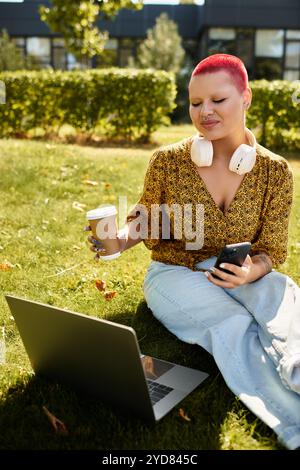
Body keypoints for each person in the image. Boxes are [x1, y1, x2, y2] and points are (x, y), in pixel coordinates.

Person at [87, 54, 300, 449]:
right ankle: (294, 421)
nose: (205, 112)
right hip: (175, 273)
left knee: (282, 294)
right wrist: (115, 240)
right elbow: (146, 220)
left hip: (239, 269)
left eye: (217, 100)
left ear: (245, 98)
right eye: (195, 102)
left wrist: (252, 272)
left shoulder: (275, 171)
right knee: (232, 326)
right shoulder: (167, 162)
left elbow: (271, 249)